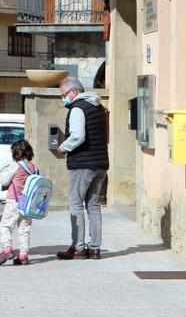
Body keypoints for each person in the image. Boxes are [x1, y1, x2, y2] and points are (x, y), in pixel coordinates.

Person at [55, 76, 108, 260]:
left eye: (64, 94)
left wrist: (63, 147)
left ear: (74, 91)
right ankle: (95, 248)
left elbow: (78, 136)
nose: (64, 99)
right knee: (93, 205)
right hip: (100, 163)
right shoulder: (98, 107)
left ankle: (78, 247)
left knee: (76, 204)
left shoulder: (78, 108)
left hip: (83, 163)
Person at [0, 140, 36, 266]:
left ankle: (7, 249)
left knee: (5, 226)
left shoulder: (16, 165)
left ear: (17, 152)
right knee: (24, 229)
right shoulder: (33, 167)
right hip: (27, 203)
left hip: (13, 201)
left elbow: (5, 181)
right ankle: (23, 255)